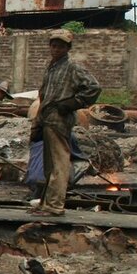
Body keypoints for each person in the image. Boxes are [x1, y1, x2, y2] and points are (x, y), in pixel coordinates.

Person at [31, 30, 100, 216]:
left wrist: (72, 104)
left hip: (59, 120)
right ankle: (46, 203)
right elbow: (44, 95)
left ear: (68, 48)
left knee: (59, 164)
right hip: (47, 119)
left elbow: (94, 87)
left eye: (60, 46)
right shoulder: (51, 67)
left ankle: (54, 206)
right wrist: (37, 122)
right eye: (53, 45)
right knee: (49, 166)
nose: (56, 49)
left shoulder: (72, 67)